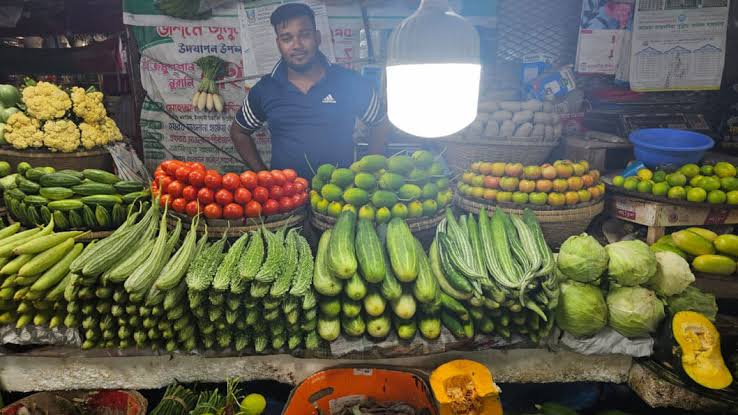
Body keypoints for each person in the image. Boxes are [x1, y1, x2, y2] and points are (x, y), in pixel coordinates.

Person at [230, 3, 388, 179]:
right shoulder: (265, 89)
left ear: (317, 37)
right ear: (278, 44)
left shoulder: (350, 82)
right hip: (286, 199)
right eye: (287, 38)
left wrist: (368, 173)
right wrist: (263, 176)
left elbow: (380, 122)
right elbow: (239, 132)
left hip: (340, 197)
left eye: (304, 35)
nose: (296, 45)